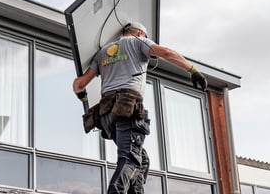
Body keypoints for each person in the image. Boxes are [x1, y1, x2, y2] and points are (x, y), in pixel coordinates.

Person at [73, 22, 207, 194]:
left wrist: (82, 96)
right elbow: (166, 52)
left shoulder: (102, 53)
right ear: (139, 33)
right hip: (127, 107)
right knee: (129, 159)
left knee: (141, 161)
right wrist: (193, 70)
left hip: (106, 114)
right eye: (146, 36)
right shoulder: (137, 42)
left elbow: (79, 84)